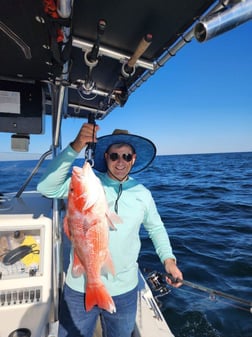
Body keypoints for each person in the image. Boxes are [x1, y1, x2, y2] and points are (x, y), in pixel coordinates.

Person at [37, 123, 183, 337]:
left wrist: (168, 260)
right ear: (106, 157)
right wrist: (76, 146)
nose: (120, 162)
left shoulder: (143, 194)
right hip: (80, 287)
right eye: (114, 156)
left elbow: (156, 228)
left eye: (126, 156)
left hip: (123, 289)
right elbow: (46, 187)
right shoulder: (89, 184)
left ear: (133, 159)